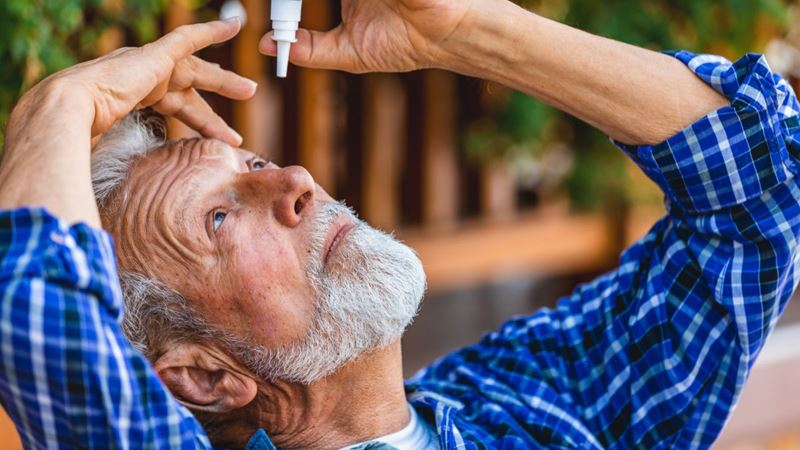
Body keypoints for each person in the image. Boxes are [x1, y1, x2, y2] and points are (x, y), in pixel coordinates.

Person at [0, 0, 798, 448]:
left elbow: (757, 195)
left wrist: (471, 33)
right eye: (217, 218)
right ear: (208, 377)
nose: (297, 180)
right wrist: (56, 109)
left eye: (249, 165)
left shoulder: (527, 407)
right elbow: (41, 327)